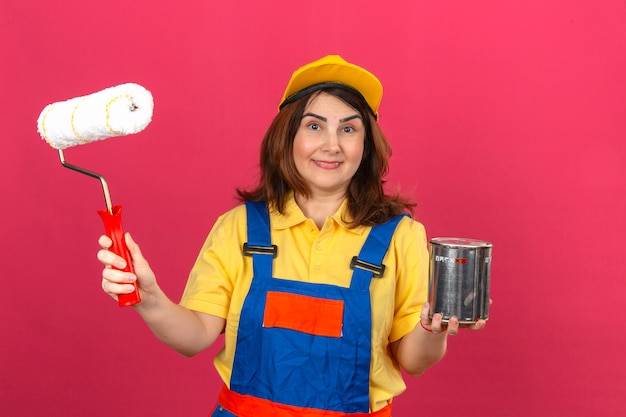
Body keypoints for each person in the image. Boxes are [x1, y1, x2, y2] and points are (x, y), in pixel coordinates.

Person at [98, 55, 487, 417]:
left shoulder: (401, 236)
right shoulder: (239, 228)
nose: (331, 145)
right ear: (288, 136)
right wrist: (149, 300)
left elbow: (414, 360)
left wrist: (431, 330)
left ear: (365, 145)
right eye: (314, 125)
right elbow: (195, 335)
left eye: (349, 128)